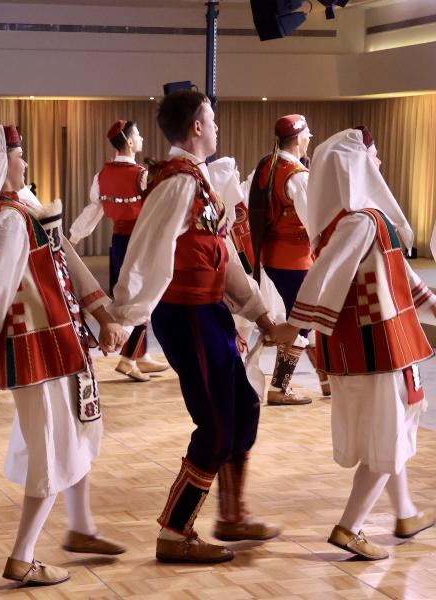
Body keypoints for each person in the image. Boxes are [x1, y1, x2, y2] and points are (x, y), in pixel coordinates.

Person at [111, 91, 281, 563]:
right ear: (197, 127)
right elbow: (145, 252)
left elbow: (222, 257)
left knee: (244, 406)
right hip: (186, 315)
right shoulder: (177, 183)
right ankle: (175, 531)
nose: (218, 126)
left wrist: (260, 313)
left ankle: (232, 515)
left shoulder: (197, 179)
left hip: (208, 313)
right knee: (216, 425)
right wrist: (123, 318)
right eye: (212, 118)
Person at [0, 125, 128, 586]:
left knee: (74, 430)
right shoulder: (7, 220)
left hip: (59, 341)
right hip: (37, 348)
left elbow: (64, 257)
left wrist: (101, 313)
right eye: (18, 155)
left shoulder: (21, 207)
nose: (25, 163)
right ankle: (22, 556)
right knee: (52, 448)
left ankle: (81, 527)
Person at [277, 127, 436, 560]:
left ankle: (405, 512)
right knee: (389, 436)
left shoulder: (350, 222)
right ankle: (350, 528)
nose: (379, 164)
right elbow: (324, 275)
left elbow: (401, 278)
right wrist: (296, 325)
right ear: (355, 167)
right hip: (380, 347)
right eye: (373, 157)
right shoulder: (362, 221)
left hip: (366, 348)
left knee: (391, 428)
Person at [69, 120, 169, 382]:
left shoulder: (103, 174)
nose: (142, 139)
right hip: (140, 242)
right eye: (139, 135)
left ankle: (141, 355)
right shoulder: (141, 175)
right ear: (129, 142)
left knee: (130, 297)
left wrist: (74, 237)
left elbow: (94, 210)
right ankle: (128, 359)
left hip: (119, 242)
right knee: (142, 298)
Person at [248, 115, 325, 405]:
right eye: (308, 136)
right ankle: (280, 388)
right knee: (302, 319)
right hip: (295, 258)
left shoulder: (267, 165)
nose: (309, 140)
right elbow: (312, 222)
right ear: (299, 138)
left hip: (272, 255)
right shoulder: (297, 175)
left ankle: (325, 380)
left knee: (304, 316)